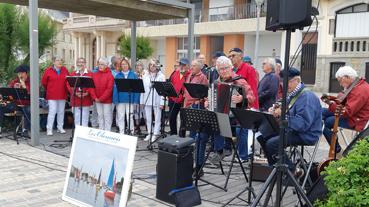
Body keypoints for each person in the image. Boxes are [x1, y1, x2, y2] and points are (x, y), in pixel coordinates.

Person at [257, 68, 322, 175]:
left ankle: (292, 171)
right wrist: (276, 108)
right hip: (293, 129)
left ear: (297, 80)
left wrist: (282, 115)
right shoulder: (294, 94)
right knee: (262, 137)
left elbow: (302, 124)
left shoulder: (306, 96)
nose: (285, 86)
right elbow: (284, 105)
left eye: (288, 82)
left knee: (272, 144)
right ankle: (276, 169)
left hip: (305, 134)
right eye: (283, 83)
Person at [207, 56, 255, 164]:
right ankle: (220, 150)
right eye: (220, 69)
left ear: (231, 68)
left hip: (237, 114)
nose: (223, 71)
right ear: (217, 70)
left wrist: (242, 98)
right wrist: (208, 102)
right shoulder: (216, 83)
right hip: (223, 115)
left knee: (239, 129)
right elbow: (210, 99)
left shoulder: (240, 81)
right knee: (215, 121)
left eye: (226, 68)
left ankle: (242, 156)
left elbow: (252, 97)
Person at [322, 66, 369, 154]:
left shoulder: (360, 90)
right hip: (353, 115)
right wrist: (332, 99)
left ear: (347, 77)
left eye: (340, 81)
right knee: (321, 112)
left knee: (325, 122)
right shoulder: (357, 84)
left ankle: (337, 149)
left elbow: (347, 112)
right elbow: (345, 100)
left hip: (356, 120)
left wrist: (330, 103)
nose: (340, 84)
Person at [41, 56, 69, 136]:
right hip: (52, 95)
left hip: (62, 94)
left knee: (61, 112)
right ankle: (49, 129)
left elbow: (68, 80)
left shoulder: (65, 70)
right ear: (53, 62)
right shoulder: (48, 70)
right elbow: (44, 82)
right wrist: (50, 89)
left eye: (61, 60)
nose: (60, 62)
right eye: (57, 60)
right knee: (52, 111)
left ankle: (60, 127)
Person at [0, 65, 31, 137]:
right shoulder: (14, 81)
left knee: (29, 110)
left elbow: (31, 94)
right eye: (18, 73)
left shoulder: (31, 81)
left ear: (26, 73)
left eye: (21, 73)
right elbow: (7, 93)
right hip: (15, 104)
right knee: (1, 107)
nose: (19, 75)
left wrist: (24, 86)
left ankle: (25, 130)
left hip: (26, 104)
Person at [112, 58, 140, 134]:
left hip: (130, 99)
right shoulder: (118, 75)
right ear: (120, 66)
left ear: (128, 65)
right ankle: (121, 131)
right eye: (122, 64)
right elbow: (115, 89)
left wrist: (136, 100)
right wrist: (115, 100)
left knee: (130, 116)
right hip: (120, 100)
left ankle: (131, 131)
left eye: (125, 64)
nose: (124, 66)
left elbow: (137, 89)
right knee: (120, 116)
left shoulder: (133, 75)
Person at [141, 58, 166, 141]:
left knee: (157, 117)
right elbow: (143, 89)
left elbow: (163, 91)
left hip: (157, 99)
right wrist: (142, 101)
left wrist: (162, 102)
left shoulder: (161, 76)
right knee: (148, 118)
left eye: (154, 65)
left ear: (157, 66)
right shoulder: (145, 75)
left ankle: (155, 133)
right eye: (150, 64)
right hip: (147, 99)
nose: (152, 66)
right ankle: (149, 132)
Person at [66, 57, 93, 127]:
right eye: (79, 62)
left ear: (85, 64)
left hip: (86, 99)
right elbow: (68, 85)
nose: (80, 64)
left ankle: (84, 135)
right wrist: (74, 93)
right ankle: (77, 134)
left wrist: (87, 93)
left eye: (82, 62)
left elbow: (92, 85)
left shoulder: (90, 74)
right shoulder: (73, 73)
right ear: (77, 64)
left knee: (85, 118)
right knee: (77, 118)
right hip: (76, 99)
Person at [90, 57, 114, 131]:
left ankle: (107, 132)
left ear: (106, 65)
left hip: (106, 100)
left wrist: (100, 99)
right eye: (99, 64)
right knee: (100, 115)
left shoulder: (110, 75)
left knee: (107, 116)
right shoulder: (94, 74)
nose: (100, 66)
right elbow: (91, 87)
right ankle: (101, 130)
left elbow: (109, 89)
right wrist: (95, 98)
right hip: (97, 100)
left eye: (102, 64)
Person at [168, 57, 190, 136]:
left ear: (188, 66)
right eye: (180, 64)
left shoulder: (189, 74)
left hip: (183, 101)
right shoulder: (175, 73)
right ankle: (173, 134)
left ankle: (181, 137)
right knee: (172, 117)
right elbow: (170, 84)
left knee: (183, 120)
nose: (182, 66)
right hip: (173, 99)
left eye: (184, 65)